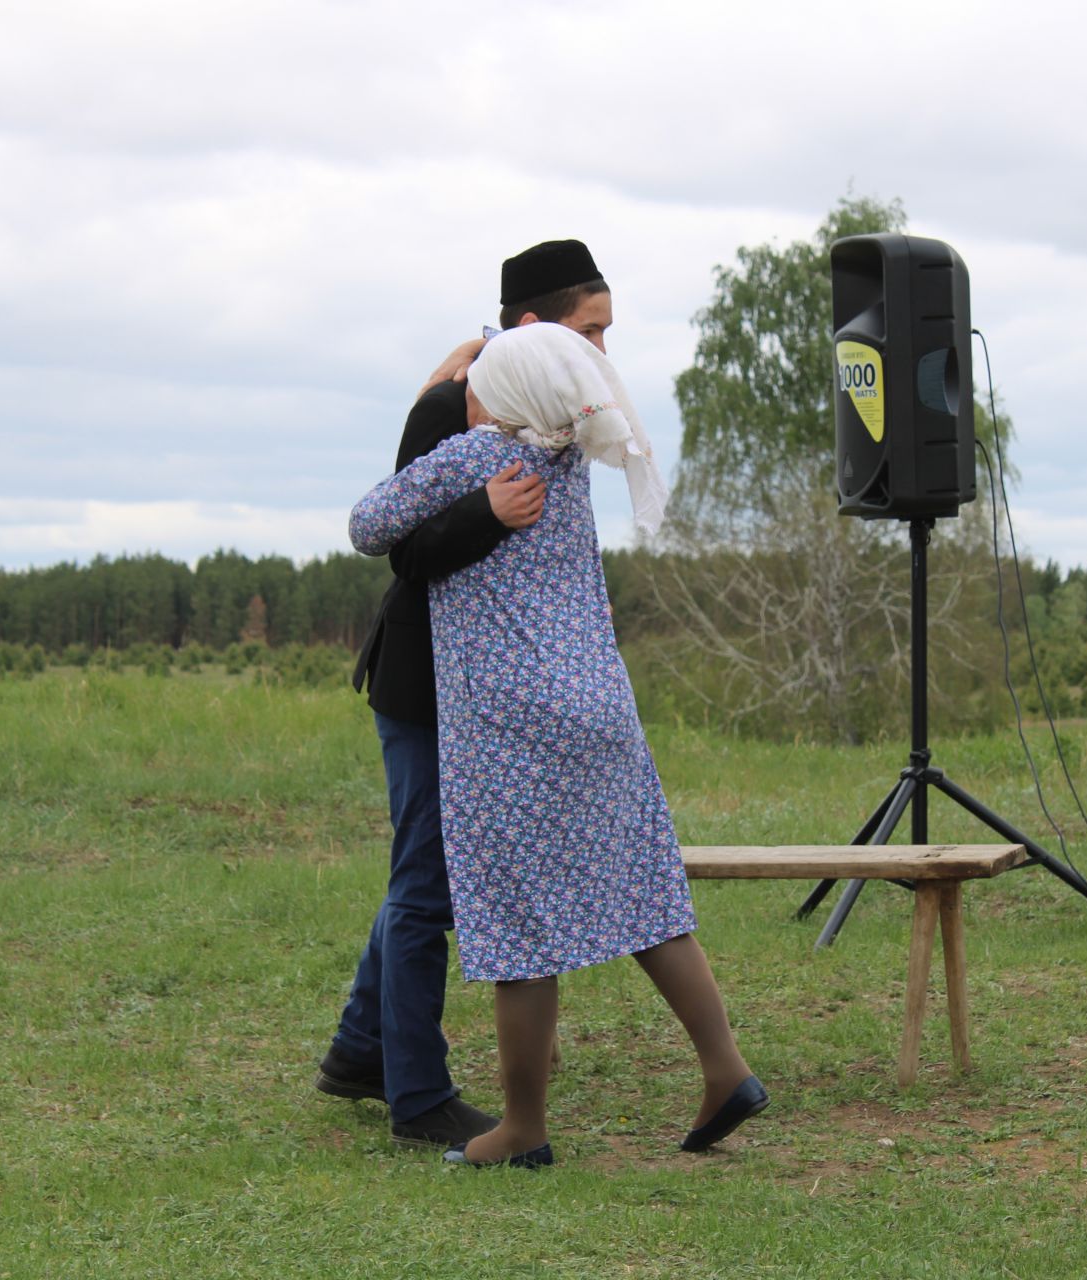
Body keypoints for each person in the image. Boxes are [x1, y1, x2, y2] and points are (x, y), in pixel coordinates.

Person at [348, 322, 767, 1168]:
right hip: (601, 708)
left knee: (514, 924)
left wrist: (439, 401)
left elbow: (368, 525)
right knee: (647, 899)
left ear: (500, 403)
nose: (461, 400)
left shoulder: (474, 460)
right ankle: (727, 1071)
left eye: (474, 390)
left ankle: (522, 1129)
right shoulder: (573, 464)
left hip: (512, 720)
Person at [315, 241, 614, 1150]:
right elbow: (400, 549)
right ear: (535, 327)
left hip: (499, 692)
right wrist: (489, 511)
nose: (603, 351)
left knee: (422, 873)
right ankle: (416, 1099)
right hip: (427, 690)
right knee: (426, 885)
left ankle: (362, 1052)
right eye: (590, 330)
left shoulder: (558, 410)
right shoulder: (453, 405)